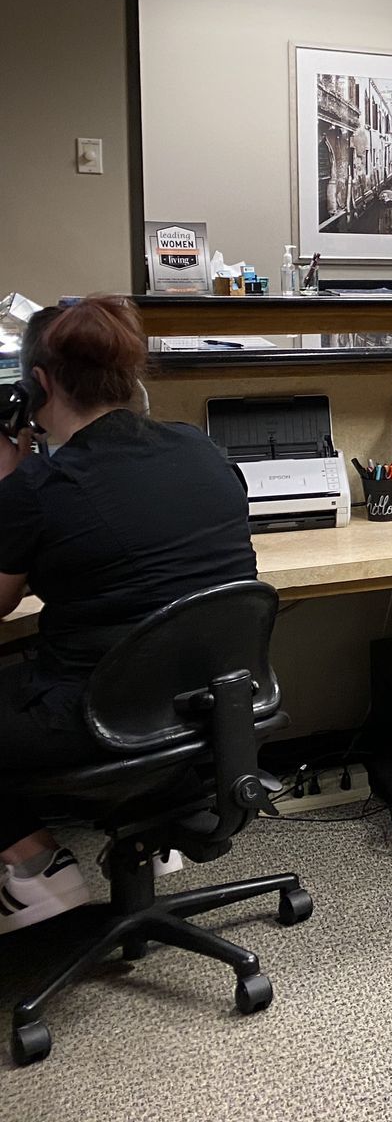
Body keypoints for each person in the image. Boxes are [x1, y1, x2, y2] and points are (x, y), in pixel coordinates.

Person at [0, 296, 256, 932]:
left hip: (97, 722)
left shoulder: (37, 489)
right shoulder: (201, 450)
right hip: (209, 713)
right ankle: (152, 830)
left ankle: (34, 865)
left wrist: (9, 482)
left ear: (39, 384)